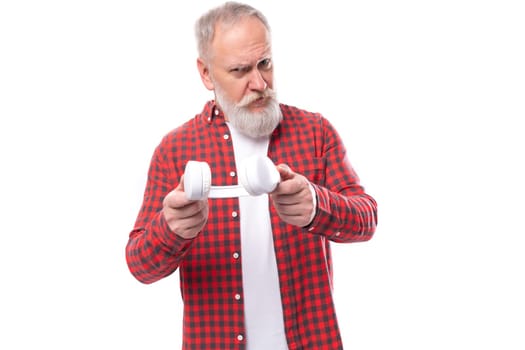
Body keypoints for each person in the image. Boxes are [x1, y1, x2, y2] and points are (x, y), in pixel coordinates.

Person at [125, 2, 377, 349]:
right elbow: (140, 265)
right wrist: (170, 230)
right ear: (207, 74)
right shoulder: (175, 150)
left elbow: (367, 219)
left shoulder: (315, 131)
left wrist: (317, 205)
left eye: (265, 64)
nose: (259, 83)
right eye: (240, 70)